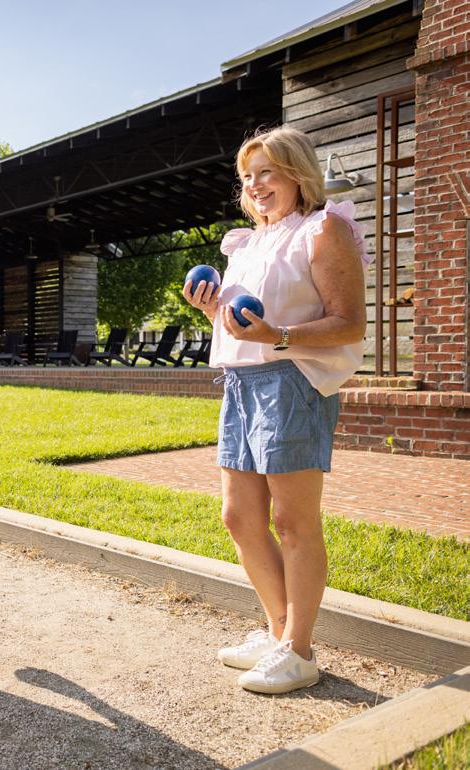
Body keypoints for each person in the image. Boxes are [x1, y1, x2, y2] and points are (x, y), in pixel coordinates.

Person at [182, 126, 368, 694]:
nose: (255, 185)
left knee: (292, 520)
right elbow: (244, 325)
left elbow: (349, 323)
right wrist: (211, 310)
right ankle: (276, 632)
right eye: (247, 177)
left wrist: (277, 335)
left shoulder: (324, 228)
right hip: (240, 382)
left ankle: (299, 650)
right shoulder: (247, 242)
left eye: (266, 172)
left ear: (297, 172)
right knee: (238, 517)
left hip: (293, 383)